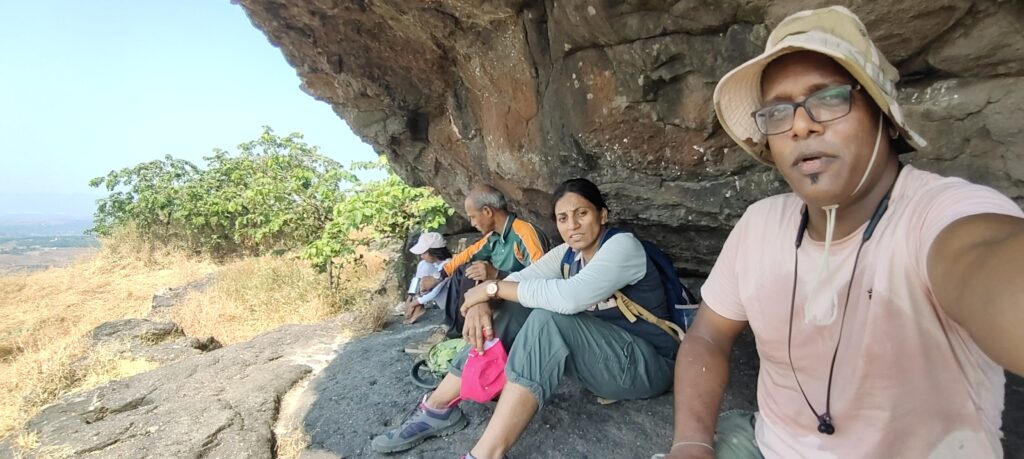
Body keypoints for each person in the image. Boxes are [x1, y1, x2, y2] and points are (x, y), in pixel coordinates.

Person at [665, 6, 1024, 458]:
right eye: (778, 111)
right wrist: (691, 442)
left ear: (886, 118)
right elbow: (707, 336)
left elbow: (988, 263)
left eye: (830, 97)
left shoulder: (937, 216)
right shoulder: (760, 224)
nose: (801, 124)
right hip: (766, 445)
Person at [372, 178, 679, 457]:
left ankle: (486, 454)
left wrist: (489, 289)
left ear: (602, 215)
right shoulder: (568, 254)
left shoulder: (622, 246)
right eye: (563, 218)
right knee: (512, 306)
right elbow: (517, 281)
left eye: (582, 214)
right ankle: (438, 408)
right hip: (602, 360)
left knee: (549, 319)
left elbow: (570, 298)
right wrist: (482, 300)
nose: (572, 225)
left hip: (647, 365)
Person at [434, 184, 549, 336]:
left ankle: (465, 332)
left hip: (519, 299)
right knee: (465, 269)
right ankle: (454, 328)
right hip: (497, 291)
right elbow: (468, 254)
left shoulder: (524, 232)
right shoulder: (493, 237)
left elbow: (541, 278)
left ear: (487, 211)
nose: (472, 224)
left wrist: (497, 274)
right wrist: (440, 275)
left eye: (473, 217)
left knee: (473, 274)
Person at [404, 232, 452, 324]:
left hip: (448, 302)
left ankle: (418, 307)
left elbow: (436, 291)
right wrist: (410, 297)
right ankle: (417, 305)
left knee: (426, 267)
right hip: (433, 297)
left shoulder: (448, 264)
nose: (421, 256)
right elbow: (418, 278)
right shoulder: (433, 263)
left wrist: (414, 303)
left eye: (424, 253)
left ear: (433, 252)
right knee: (423, 264)